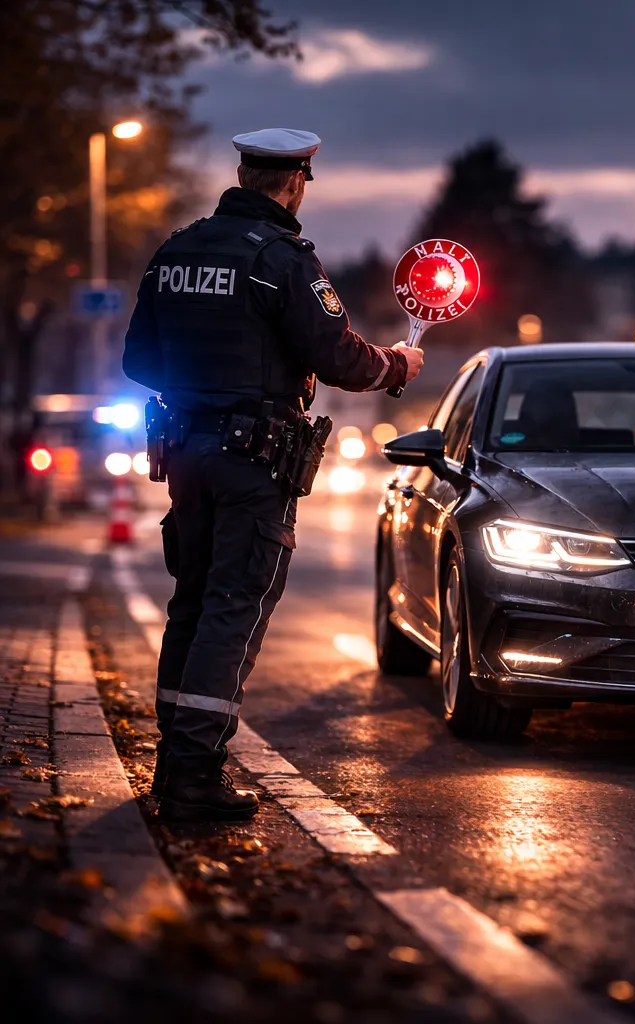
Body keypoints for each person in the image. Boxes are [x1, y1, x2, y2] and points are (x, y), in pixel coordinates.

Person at [122, 128, 423, 822]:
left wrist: (202, 384)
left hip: (186, 455)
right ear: (293, 184)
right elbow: (342, 357)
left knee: (191, 604)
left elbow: (140, 361)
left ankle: (175, 757)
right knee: (235, 608)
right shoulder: (283, 260)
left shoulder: (178, 249)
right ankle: (193, 776)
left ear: (240, 173)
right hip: (254, 462)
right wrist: (397, 367)